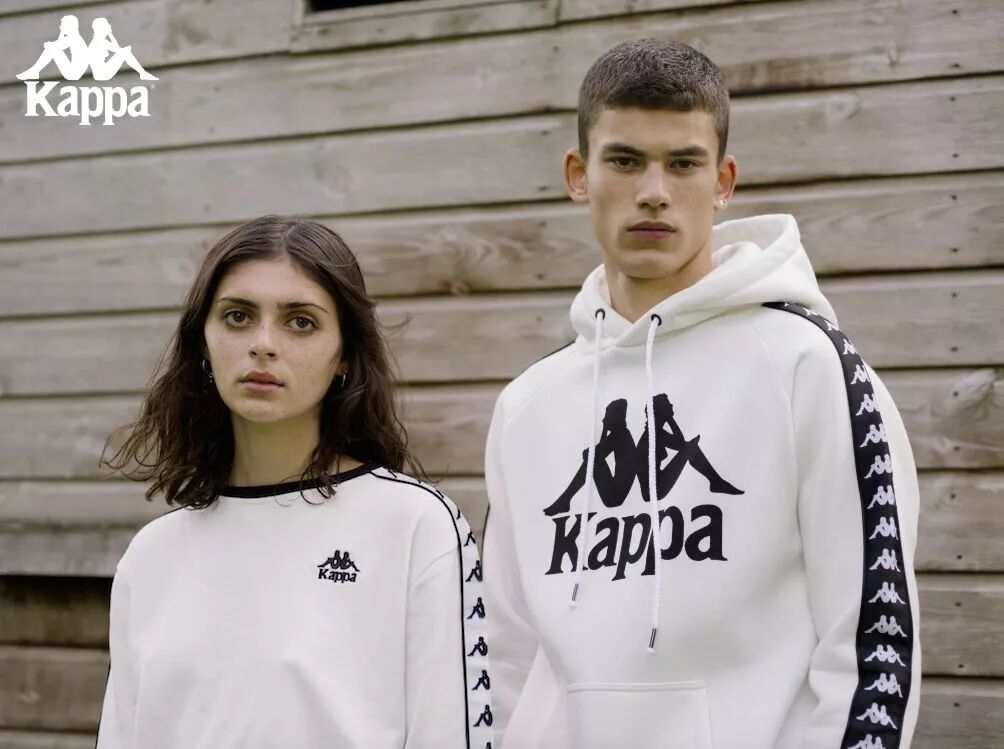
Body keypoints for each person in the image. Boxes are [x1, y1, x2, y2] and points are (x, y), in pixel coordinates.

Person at [482, 39, 920, 749]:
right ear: (578, 176)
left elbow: (874, 638)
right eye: (625, 160)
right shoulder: (528, 406)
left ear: (723, 181)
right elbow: (505, 656)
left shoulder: (806, 366)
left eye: (683, 163)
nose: (654, 190)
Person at [96, 216, 493, 749]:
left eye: (300, 322)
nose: (263, 344)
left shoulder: (415, 526)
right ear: (203, 345)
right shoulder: (152, 555)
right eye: (238, 316)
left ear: (344, 356)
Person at [17, 14, 89, 81]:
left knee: (51, 48)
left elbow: (57, 45)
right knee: (52, 48)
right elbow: (58, 43)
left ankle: (34, 71)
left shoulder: (74, 38)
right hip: (74, 73)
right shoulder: (74, 37)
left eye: (62, 24)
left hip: (73, 74)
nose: (60, 26)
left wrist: (50, 44)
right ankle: (34, 71)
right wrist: (61, 34)